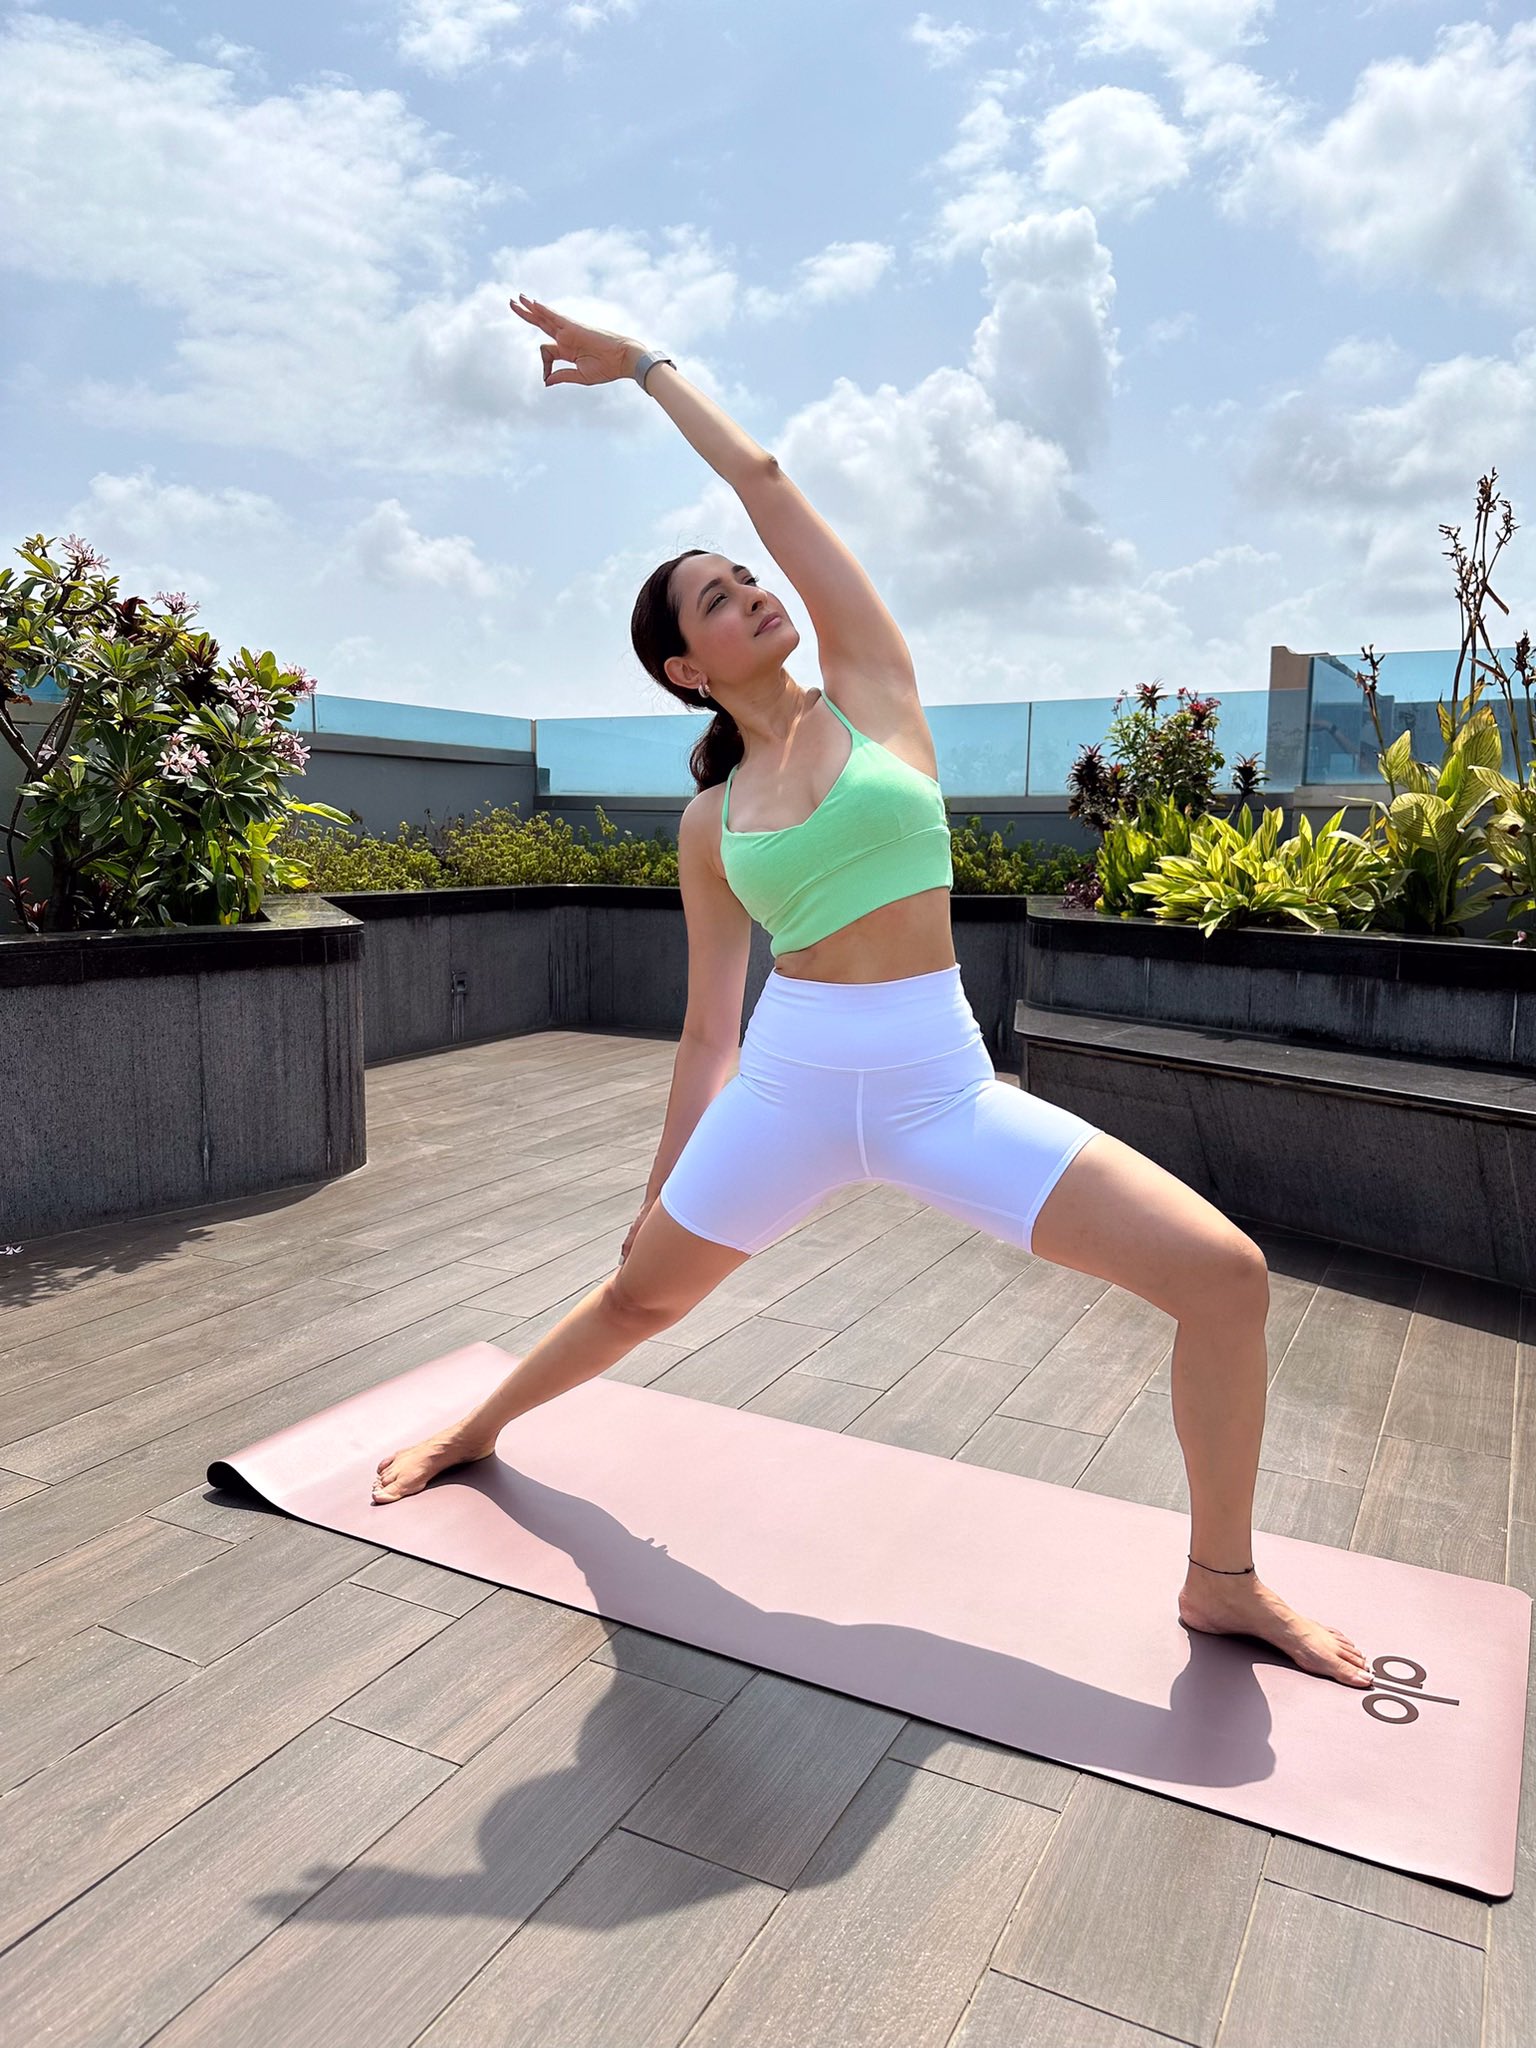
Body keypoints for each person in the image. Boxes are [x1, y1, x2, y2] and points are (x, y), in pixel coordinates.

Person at [372, 292, 1373, 1693]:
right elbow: (708, 1027)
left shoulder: (875, 693)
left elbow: (767, 481)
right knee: (639, 1299)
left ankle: (1223, 1583)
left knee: (1225, 1278)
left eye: (747, 579)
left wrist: (646, 368)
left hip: (937, 1089)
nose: (752, 593)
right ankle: (479, 1428)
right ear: (685, 668)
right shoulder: (711, 824)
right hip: (788, 1088)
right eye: (718, 599)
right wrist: (662, 1189)